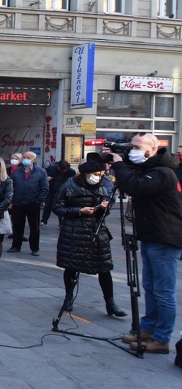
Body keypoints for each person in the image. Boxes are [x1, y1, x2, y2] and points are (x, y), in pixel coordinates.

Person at [110, 133, 182, 354]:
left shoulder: (162, 173)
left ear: (152, 150)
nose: (133, 150)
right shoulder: (151, 169)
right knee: (150, 287)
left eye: (137, 147)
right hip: (152, 235)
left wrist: (120, 166)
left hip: (164, 237)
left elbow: (135, 187)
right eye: (131, 146)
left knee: (163, 290)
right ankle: (148, 328)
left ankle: (162, 339)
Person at [52, 156, 125, 317]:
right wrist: (79, 211)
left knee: (104, 268)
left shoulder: (103, 186)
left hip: (97, 231)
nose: (97, 178)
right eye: (95, 174)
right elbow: (57, 207)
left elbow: (107, 206)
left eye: (100, 175)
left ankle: (110, 302)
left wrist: (104, 207)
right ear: (85, 174)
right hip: (74, 232)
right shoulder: (70, 185)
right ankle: (69, 297)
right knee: (71, 266)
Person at [8, 151, 49, 256]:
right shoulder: (16, 172)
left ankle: (34, 248)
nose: (26, 159)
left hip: (33, 203)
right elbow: (11, 187)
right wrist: (11, 201)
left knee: (34, 227)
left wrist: (38, 201)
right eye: (25, 157)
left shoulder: (41, 172)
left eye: (28, 157)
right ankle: (16, 245)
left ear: (34, 160)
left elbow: (45, 188)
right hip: (18, 203)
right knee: (17, 225)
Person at [42, 159, 76, 226]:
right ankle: (44, 220)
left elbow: (73, 181)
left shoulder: (71, 172)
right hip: (51, 191)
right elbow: (43, 173)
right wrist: (46, 178)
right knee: (48, 206)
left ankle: (61, 223)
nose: (63, 171)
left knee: (61, 207)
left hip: (63, 192)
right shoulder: (52, 168)